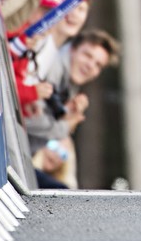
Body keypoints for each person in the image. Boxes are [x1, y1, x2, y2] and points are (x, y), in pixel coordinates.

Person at [24, 28, 120, 187]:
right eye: (87, 55)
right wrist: (66, 125)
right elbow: (27, 120)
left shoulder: (68, 87)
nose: (90, 66)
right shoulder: (51, 68)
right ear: (72, 48)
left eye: (98, 65)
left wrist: (66, 114)